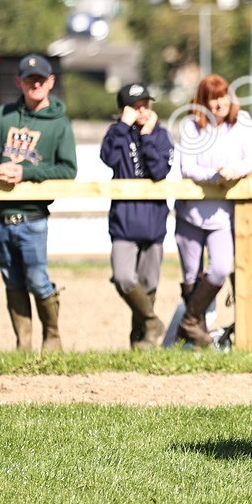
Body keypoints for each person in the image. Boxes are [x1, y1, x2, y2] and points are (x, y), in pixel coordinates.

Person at [0, 54, 78, 350]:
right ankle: (23, 343)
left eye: (40, 80)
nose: (34, 85)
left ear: (50, 82)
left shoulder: (60, 123)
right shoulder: (2, 116)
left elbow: (68, 169)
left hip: (33, 218)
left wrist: (27, 172)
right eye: (28, 79)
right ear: (18, 82)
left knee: (37, 279)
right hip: (0, 216)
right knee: (12, 281)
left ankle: (53, 338)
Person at [174, 74, 252, 346]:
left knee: (220, 268)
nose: (219, 103)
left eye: (222, 97)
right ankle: (195, 333)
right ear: (203, 101)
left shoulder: (241, 122)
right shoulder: (190, 126)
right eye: (213, 98)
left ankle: (188, 322)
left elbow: (250, 158)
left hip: (222, 215)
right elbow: (187, 167)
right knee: (189, 275)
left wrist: (235, 171)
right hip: (190, 212)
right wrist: (215, 176)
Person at [101, 83, 175, 349]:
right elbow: (108, 158)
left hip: (153, 221)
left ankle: (141, 340)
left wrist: (146, 135)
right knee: (123, 277)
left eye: (146, 104)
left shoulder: (162, 135)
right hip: (123, 221)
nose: (143, 110)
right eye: (136, 106)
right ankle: (153, 322)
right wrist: (123, 127)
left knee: (149, 283)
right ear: (124, 110)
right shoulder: (116, 134)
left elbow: (159, 171)